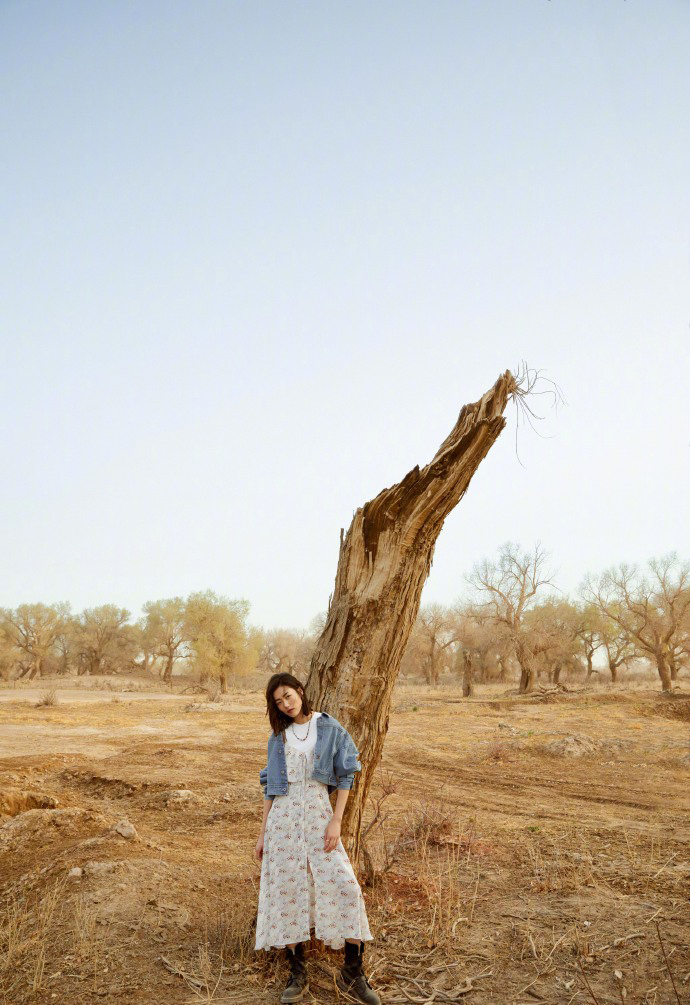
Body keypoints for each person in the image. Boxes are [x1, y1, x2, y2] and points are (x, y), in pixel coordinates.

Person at [254, 671, 381, 1005]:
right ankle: (297, 972)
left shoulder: (328, 727)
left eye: (288, 696)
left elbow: (348, 772)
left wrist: (336, 820)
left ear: (300, 690)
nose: (285, 705)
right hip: (282, 820)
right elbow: (270, 788)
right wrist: (262, 834)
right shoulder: (278, 738)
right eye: (278, 702)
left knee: (346, 885)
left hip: (319, 814)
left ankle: (353, 971)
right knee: (289, 891)